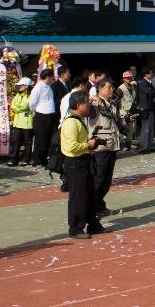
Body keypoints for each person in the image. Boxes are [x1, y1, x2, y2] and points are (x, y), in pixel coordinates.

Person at [60, 92, 104, 239]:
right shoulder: (71, 122)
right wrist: (88, 144)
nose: (89, 105)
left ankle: (93, 224)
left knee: (89, 194)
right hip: (75, 163)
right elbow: (71, 147)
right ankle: (75, 227)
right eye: (87, 103)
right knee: (78, 196)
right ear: (79, 105)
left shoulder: (78, 120)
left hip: (83, 161)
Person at [89, 79, 122, 217]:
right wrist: (91, 98)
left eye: (112, 87)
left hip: (111, 145)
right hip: (100, 147)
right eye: (109, 87)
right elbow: (83, 106)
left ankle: (99, 205)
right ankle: (92, 208)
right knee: (99, 179)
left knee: (106, 180)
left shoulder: (111, 103)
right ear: (100, 89)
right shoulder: (95, 103)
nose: (112, 89)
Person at [29, 70, 59, 170]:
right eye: (52, 77)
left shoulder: (49, 87)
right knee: (40, 139)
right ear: (47, 77)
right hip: (41, 115)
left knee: (48, 138)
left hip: (50, 115)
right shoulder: (38, 87)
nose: (53, 79)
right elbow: (32, 103)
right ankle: (37, 160)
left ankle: (44, 159)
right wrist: (35, 111)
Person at [8, 77, 34, 167]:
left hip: (27, 122)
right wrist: (18, 109)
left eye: (20, 85)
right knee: (16, 141)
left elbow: (26, 105)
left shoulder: (30, 95)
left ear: (26, 86)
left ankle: (26, 159)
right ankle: (13, 158)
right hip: (17, 122)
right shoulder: (18, 95)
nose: (19, 87)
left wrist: (18, 109)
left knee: (27, 142)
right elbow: (13, 105)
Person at [135, 67, 155, 152]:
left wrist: (153, 91)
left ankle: (150, 146)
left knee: (151, 127)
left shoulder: (148, 82)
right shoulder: (142, 83)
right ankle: (143, 147)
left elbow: (154, 92)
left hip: (149, 107)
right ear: (146, 74)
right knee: (146, 128)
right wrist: (153, 91)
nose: (151, 74)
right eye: (150, 73)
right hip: (145, 108)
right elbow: (151, 93)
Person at [117, 70, 137, 150]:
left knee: (132, 128)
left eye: (130, 77)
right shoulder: (120, 89)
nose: (129, 79)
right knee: (124, 128)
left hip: (132, 110)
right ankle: (123, 145)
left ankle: (129, 143)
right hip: (123, 111)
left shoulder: (132, 86)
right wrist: (118, 112)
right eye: (127, 78)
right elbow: (117, 101)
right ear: (123, 79)